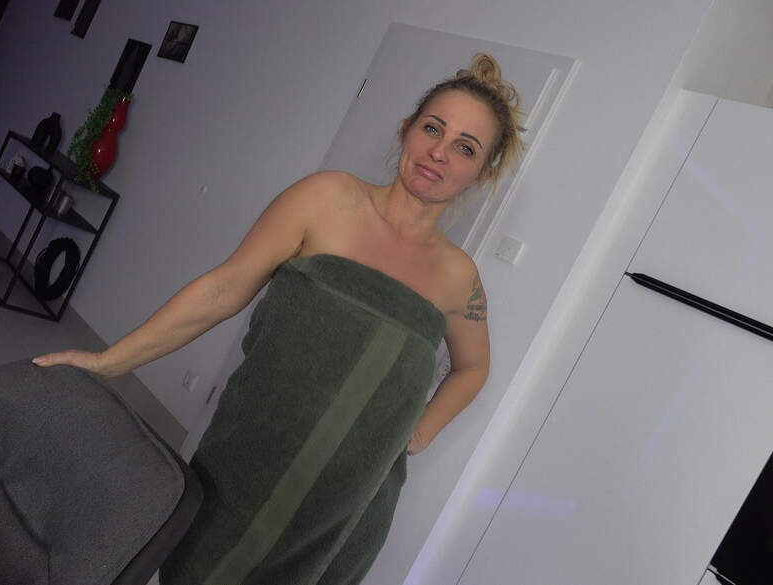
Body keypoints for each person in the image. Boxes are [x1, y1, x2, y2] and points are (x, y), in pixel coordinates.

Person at [33, 52, 524, 585]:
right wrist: (108, 362)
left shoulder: (458, 276)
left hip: (347, 507)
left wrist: (419, 431)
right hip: (248, 461)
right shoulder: (326, 199)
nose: (439, 152)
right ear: (407, 127)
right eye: (433, 128)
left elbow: (473, 367)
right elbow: (223, 289)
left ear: (482, 173)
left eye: (465, 147)